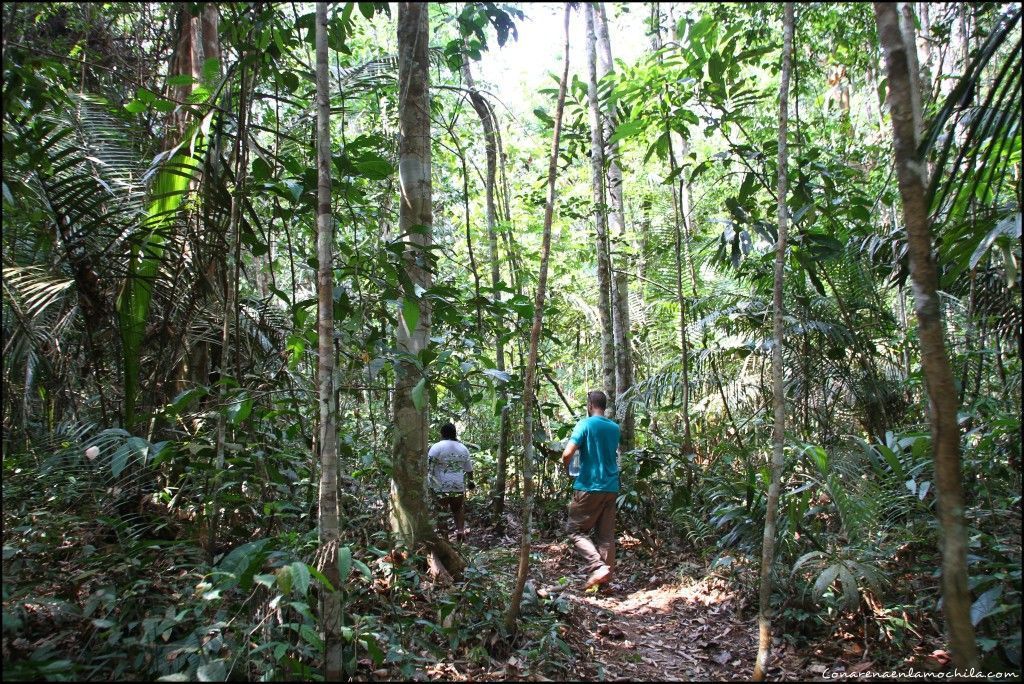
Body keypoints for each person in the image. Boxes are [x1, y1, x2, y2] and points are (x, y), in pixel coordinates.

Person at [562, 390, 621, 590]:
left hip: (589, 485)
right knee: (605, 536)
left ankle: (596, 566)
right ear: (604, 406)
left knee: (574, 530)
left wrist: (566, 468)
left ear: (589, 405)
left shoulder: (584, 424)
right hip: (611, 486)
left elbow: (567, 453)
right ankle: (605, 582)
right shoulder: (614, 428)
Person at [427, 422, 475, 542]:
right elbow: (469, 469)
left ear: (442, 433)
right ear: (454, 433)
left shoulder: (436, 447)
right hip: (457, 485)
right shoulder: (463, 448)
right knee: (458, 509)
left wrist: (428, 483)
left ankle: (444, 538)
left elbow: (429, 467)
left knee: (441, 511)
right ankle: (460, 531)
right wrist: (471, 481)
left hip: (440, 486)